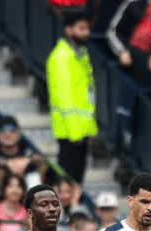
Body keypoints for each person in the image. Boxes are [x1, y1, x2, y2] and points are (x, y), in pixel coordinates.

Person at [46, 12, 97, 186]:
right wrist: (76, 131)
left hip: (80, 128)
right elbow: (64, 96)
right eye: (81, 29)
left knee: (77, 180)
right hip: (70, 130)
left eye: (87, 28)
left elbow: (86, 95)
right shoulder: (61, 57)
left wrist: (89, 129)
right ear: (68, 30)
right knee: (68, 180)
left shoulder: (80, 54)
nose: (86, 33)